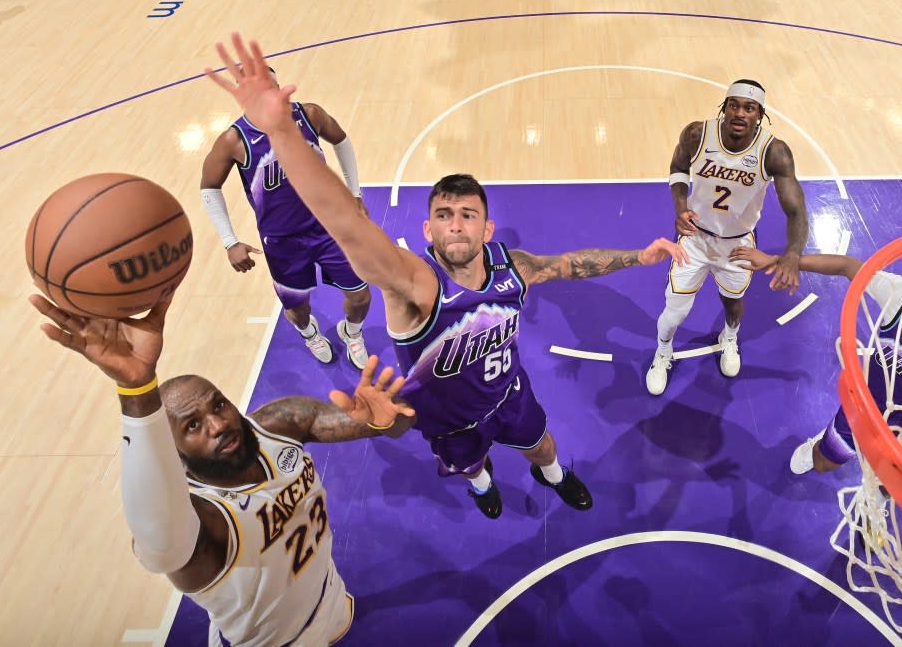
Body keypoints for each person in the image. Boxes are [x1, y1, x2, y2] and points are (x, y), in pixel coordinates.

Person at [204, 34, 689, 519]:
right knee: (472, 468)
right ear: (427, 228)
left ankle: (554, 475)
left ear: (487, 226)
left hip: (508, 394)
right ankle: (482, 487)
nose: (456, 223)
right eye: (444, 214)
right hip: (448, 421)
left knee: (543, 448)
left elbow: (568, 264)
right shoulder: (414, 283)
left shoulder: (511, 266)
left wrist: (638, 257)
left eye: (467, 214)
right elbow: (347, 226)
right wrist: (283, 134)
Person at [28, 293, 415, 646]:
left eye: (218, 406)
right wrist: (137, 390)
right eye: (192, 426)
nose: (218, 424)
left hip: (330, 595)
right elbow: (159, 534)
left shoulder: (279, 423)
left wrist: (388, 420)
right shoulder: (202, 525)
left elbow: (392, 425)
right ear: (173, 452)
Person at [730, 246, 902, 506]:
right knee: (824, 463)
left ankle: (878, 500)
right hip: (865, 406)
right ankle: (822, 442)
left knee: (889, 486)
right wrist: (779, 260)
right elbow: (848, 266)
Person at [645, 79, 809, 396]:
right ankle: (663, 351)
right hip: (695, 238)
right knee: (675, 308)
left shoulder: (774, 152)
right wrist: (680, 206)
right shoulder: (697, 134)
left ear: (761, 114)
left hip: (737, 245)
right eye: (734, 105)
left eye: (749, 108)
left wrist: (792, 254)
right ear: (724, 107)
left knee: (733, 303)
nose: (740, 113)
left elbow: (797, 211)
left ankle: (729, 337)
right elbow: (678, 166)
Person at [200, 68, 372, 369]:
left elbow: (341, 141)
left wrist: (354, 192)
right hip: (282, 243)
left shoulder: (309, 115)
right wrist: (229, 241)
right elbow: (209, 187)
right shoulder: (234, 140)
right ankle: (309, 333)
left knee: (361, 295)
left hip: (329, 226)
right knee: (297, 308)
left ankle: (352, 332)